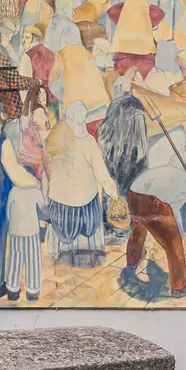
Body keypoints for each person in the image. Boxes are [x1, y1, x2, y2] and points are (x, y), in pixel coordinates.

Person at [98, 94, 186, 298]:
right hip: (147, 197)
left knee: (139, 227)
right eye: (140, 118)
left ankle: (131, 261)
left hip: (129, 198)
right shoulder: (137, 145)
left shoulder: (107, 138)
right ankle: (180, 285)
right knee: (172, 240)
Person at [42, 102, 117, 266]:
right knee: (87, 229)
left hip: (60, 197)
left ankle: (63, 256)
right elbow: (100, 170)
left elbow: (47, 166)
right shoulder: (87, 141)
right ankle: (85, 256)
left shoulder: (55, 138)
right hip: (85, 196)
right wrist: (111, 189)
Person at [0, 118, 44, 301]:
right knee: (33, 260)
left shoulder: (13, 192)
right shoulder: (34, 190)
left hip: (16, 231)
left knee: (15, 260)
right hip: (32, 231)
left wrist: (11, 225)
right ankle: (33, 290)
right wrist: (42, 226)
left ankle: (12, 289)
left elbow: (9, 213)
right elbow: (42, 209)